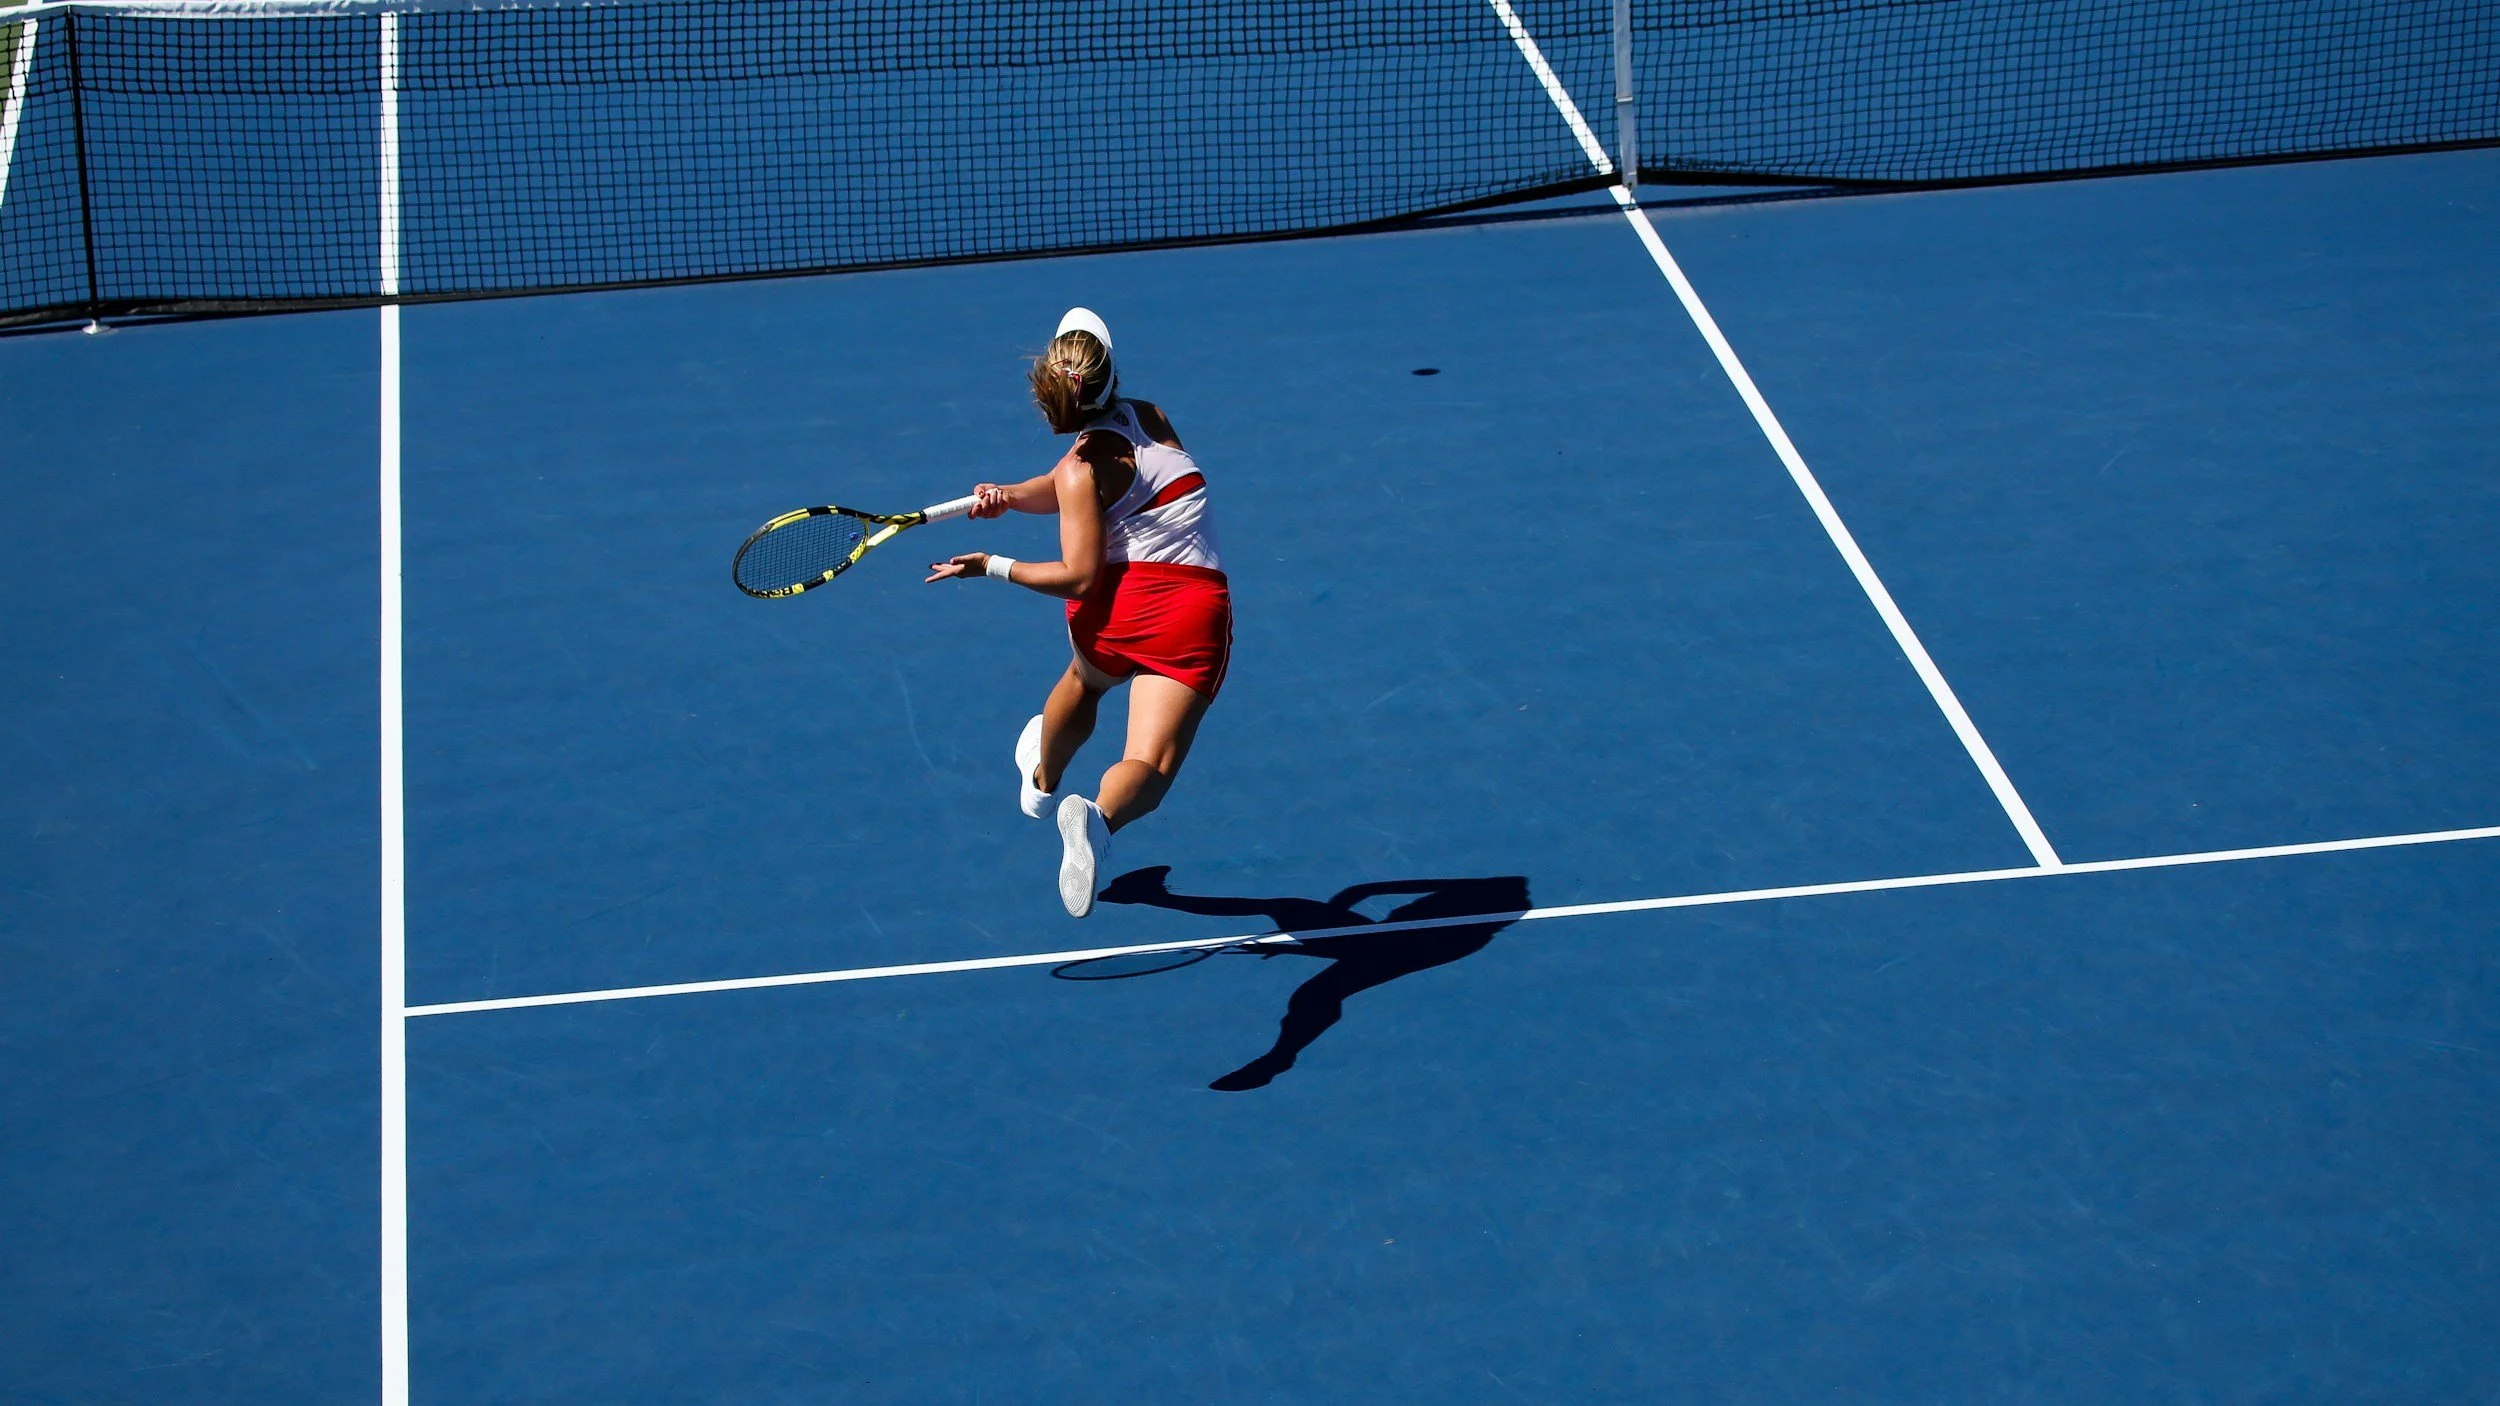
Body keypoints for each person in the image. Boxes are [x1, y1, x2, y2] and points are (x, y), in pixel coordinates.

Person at [926, 309, 1231, 917]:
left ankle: (1042, 784)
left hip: (1116, 609)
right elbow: (1074, 490)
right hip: (1189, 613)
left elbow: (1081, 576)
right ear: (1108, 375)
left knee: (1084, 680)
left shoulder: (1076, 472)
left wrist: (993, 564)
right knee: (1151, 762)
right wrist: (1011, 498)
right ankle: (1096, 819)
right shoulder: (1151, 417)